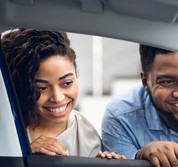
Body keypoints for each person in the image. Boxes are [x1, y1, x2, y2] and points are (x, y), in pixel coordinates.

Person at [1, 29, 124, 159]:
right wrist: (26, 155)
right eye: (42, 88)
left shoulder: (86, 136)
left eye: (67, 83)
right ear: (23, 87)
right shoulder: (7, 126)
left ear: (77, 77)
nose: (58, 98)